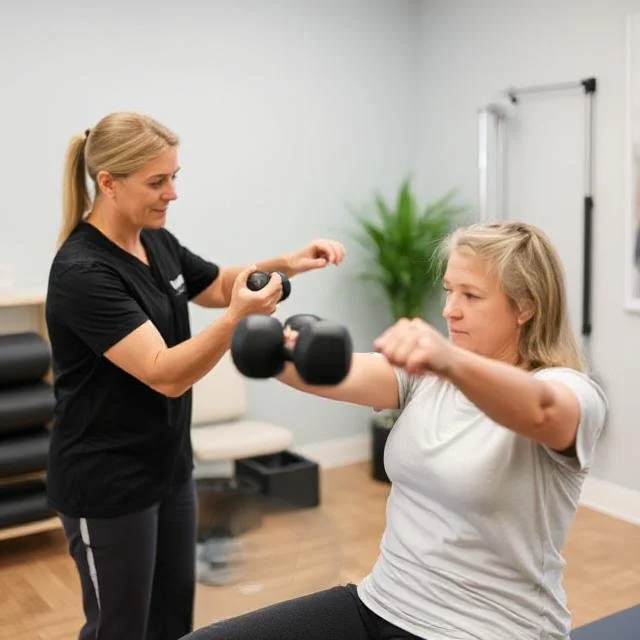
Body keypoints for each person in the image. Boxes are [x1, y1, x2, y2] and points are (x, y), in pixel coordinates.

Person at [182, 221, 608, 640]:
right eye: (449, 290)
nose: (449, 309)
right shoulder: (427, 379)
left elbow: (540, 412)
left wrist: (448, 361)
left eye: (471, 296)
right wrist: (268, 345)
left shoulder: (570, 391)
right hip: (383, 602)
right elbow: (336, 371)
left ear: (525, 306)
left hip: (487, 627)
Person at [44, 111, 346, 640]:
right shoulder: (83, 273)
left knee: (172, 623)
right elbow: (164, 375)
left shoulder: (154, 240)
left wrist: (287, 264)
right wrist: (237, 320)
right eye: (157, 182)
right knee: (120, 629)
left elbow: (217, 283)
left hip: (169, 470)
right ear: (109, 183)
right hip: (106, 484)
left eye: (174, 177)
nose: (172, 193)